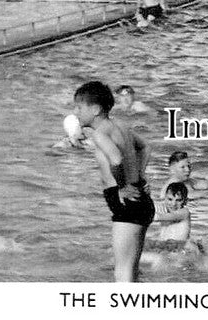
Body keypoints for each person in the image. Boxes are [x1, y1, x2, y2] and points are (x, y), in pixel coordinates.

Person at [72, 80, 153, 282]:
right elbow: (145, 147)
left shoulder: (100, 133)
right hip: (140, 200)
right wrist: (140, 176)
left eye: (79, 107)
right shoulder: (121, 126)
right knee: (131, 269)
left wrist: (123, 185)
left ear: (96, 109)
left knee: (122, 272)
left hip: (127, 202)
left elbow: (115, 158)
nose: (75, 112)